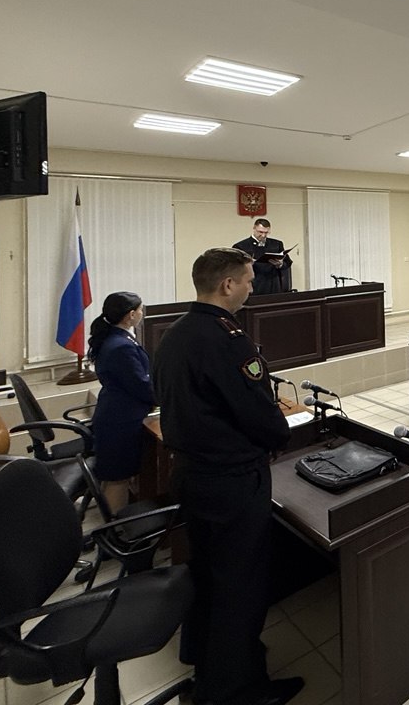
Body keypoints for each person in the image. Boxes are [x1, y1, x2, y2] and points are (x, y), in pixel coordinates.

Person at [152, 247, 303, 705]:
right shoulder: (228, 339)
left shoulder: (173, 332)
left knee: (208, 574)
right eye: (249, 281)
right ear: (227, 285)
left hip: (191, 474)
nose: (252, 289)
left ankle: (205, 661)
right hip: (231, 481)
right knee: (240, 587)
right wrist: (280, 434)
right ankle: (236, 689)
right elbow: (258, 412)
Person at [85, 291, 153, 515]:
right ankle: (116, 528)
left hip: (116, 414)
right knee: (118, 480)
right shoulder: (121, 346)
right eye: (140, 310)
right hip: (121, 422)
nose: (142, 314)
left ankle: (110, 523)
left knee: (113, 477)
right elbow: (140, 385)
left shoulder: (115, 337)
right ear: (130, 315)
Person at [232, 218, 291, 296]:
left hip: (273, 286)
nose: (263, 235)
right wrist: (248, 264)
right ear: (254, 228)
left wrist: (280, 264)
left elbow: (288, 262)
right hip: (253, 286)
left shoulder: (276, 244)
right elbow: (234, 268)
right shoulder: (241, 246)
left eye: (266, 232)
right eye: (260, 232)